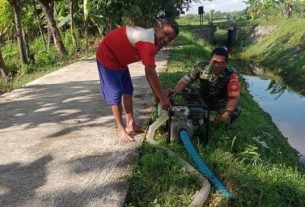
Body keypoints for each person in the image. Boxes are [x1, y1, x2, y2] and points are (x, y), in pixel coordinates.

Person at [96, 18, 179, 143]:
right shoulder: (147, 42)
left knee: (128, 89)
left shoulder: (155, 42)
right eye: (166, 34)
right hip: (108, 56)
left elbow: (148, 71)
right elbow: (151, 72)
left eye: (170, 38)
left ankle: (131, 124)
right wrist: (162, 97)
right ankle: (121, 128)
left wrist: (158, 94)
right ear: (158, 27)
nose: (167, 39)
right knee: (116, 93)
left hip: (121, 61)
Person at [170, 47, 241, 124]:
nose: (216, 65)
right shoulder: (201, 67)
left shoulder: (231, 74)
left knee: (234, 111)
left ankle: (215, 119)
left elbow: (233, 98)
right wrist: (175, 92)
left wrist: (227, 113)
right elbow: (184, 81)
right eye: (214, 61)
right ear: (209, 60)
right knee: (185, 89)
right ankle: (199, 112)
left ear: (226, 63)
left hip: (219, 102)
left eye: (221, 63)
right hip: (201, 98)